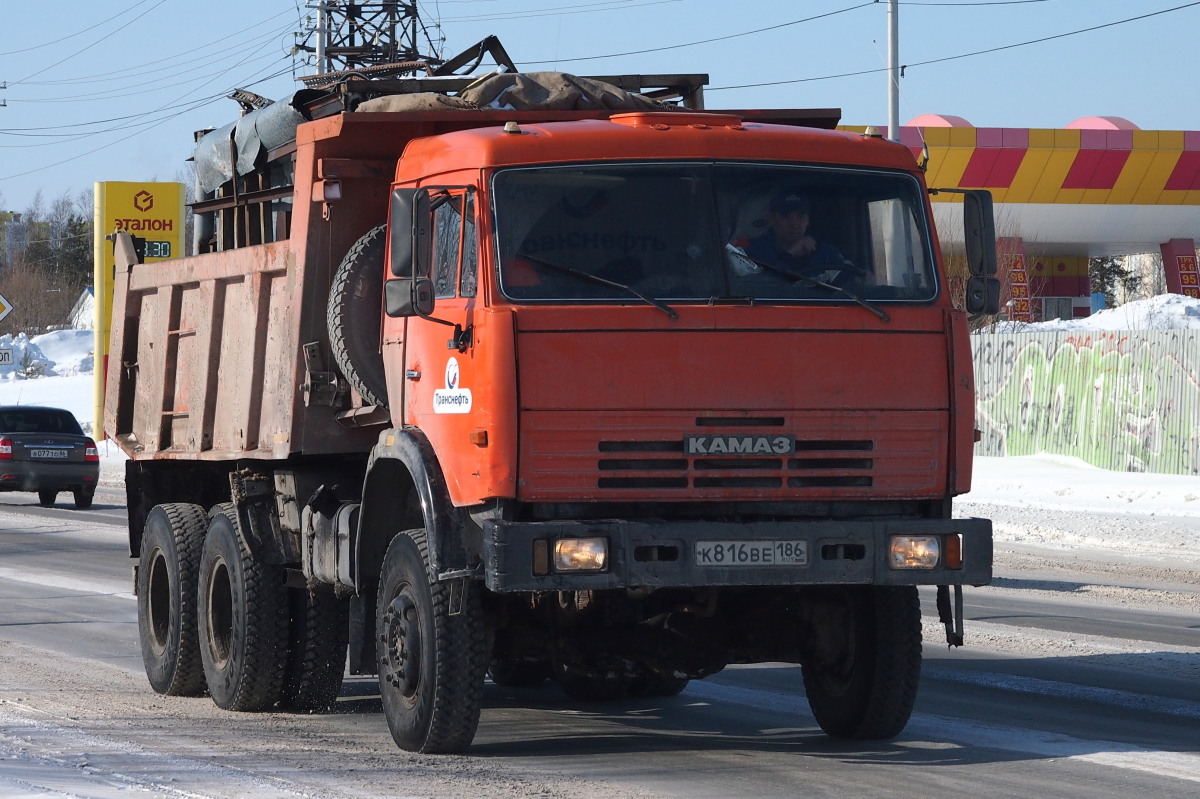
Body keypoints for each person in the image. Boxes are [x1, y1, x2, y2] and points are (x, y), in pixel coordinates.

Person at [741, 190, 852, 278]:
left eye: (800, 217)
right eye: (786, 217)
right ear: (771, 218)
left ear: (808, 219)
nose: (794, 224)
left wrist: (864, 278)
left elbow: (849, 275)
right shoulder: (755, 252)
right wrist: (789, 255)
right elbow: (762, 289)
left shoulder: (825, 252)